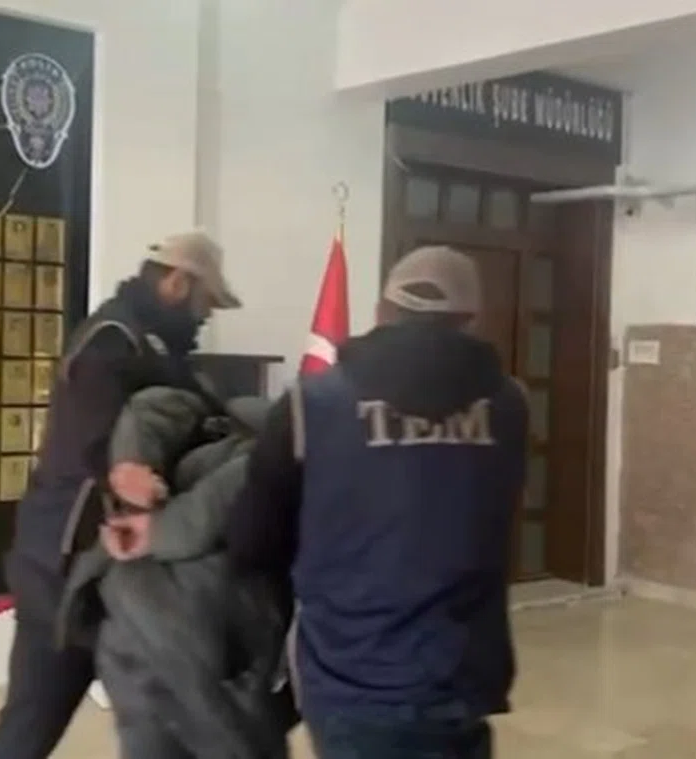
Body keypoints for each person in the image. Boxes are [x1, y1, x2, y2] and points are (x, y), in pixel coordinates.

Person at [224, 245, 528, 759]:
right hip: (464, 675)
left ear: (382, 312)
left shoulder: (309, 405)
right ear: (470, 319)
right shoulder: (509, 406)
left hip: (351, 676)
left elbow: (252, 544)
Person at [0, 231, 241, 759]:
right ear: (177, 283)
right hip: (65, 570)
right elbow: (90, 429)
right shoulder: (111, 339)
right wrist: (122, 470)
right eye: (206, 302)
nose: (206, 316)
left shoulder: (155, 346)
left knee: (162, 727)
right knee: (30, 725)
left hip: (118, 574)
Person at [60, 387, 296, 759]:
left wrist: (132, 470)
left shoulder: (204, 436)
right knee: (232, 741)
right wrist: (147, 506)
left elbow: (150, 409)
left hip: (129, 614)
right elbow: (207, 513)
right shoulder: (268, 455)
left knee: (151, 736)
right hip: (199, 628)